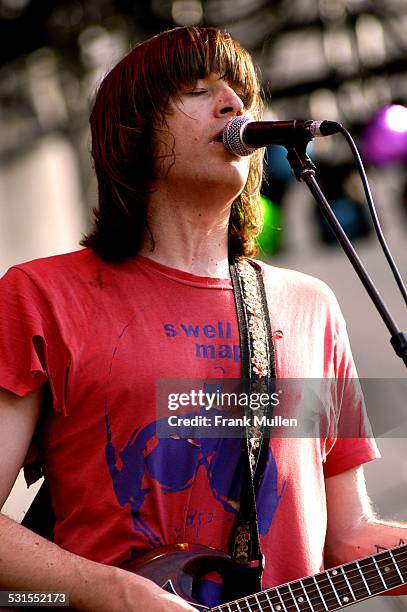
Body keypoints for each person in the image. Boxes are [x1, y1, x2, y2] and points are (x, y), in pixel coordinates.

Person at [0, 25, 406, 611]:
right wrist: (112, 591)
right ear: (132, 133)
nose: (233, 105)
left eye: (241, 92)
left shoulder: (310, 307)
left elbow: (346, 538)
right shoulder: (41, 296)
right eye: (198, 89)